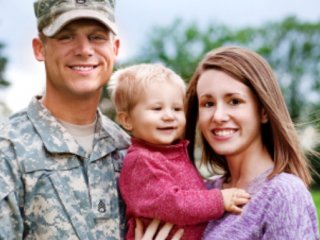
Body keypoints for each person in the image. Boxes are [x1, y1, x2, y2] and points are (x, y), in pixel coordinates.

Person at [0, 0, 130, 239]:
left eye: (97, 37)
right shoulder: (8, 151)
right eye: (66, 37)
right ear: (40, 48)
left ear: (116, 48)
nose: (84, 49)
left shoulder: (126, 149)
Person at [184, 46, 319, 239]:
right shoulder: (201, 193)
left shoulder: (283, 195)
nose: (218, 116)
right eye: (208, 103)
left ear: (263, 111)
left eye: (235, 101)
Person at [108, 63, 250, 240]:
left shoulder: (171, 154)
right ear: (127, 120)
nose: (169, 116)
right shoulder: (141, 160)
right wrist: (220, 200)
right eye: (157, 108)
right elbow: (173, 203)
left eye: (176, 108)